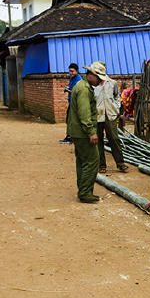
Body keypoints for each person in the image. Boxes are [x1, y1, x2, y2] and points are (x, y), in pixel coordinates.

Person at [66, 61, 101, 203]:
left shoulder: (80, 85)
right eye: (99, 78)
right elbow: (84, 113)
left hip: (77, 131)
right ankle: (86, 192)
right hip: (82, 132)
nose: (101, 81)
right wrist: (91, 132)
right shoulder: (85, 89)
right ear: (91, 75)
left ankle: (83, 189)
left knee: (82, 160)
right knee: (92, 160)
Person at [87, 61, 128, 174]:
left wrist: (116, 108)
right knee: (98, 141)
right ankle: (101, 165)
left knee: (114, 139)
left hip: (110, 115)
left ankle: (120, 163)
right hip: (97, 116)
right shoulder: (92, 85)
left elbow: (116, 96)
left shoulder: (112, 83)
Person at [61, 63, 83, 143]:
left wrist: (68, 90)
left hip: (75, 103)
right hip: (71, 102)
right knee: (69, 120)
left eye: (72, 71)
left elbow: (76, 91)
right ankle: (69, 136)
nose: (70, 73)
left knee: (72, 120)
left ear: (77, 71)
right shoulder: (72, 78)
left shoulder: (79, 79)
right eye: (69, 71)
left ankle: (72, 137)